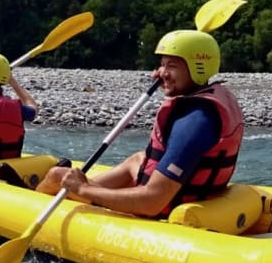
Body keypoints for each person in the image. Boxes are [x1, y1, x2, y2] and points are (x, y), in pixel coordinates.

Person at [36, 30, 244, 217]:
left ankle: (33, 204)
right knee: (138, 159)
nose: (162, 72)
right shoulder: (210, 97)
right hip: (191, 194)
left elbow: (152, 202)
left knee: (56, 175)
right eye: (162, 65)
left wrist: (83, 190)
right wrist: (168, 75)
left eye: (171, 65)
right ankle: (77, 187)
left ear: (197, 68)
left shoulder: (194, 122)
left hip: (162, 208)